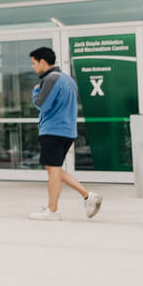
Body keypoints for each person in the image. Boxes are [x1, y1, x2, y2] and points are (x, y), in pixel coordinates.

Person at [28, 47, 102, 220]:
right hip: (66, 131)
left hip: (53, 130)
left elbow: (41, 104)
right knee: (54, 169)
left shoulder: (51, 79)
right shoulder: (68, 79)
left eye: (33, 63)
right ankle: (87, 196)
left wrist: (36, 90)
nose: (33, 67)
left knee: (53, 171)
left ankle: (53, 211)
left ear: (43, 62)